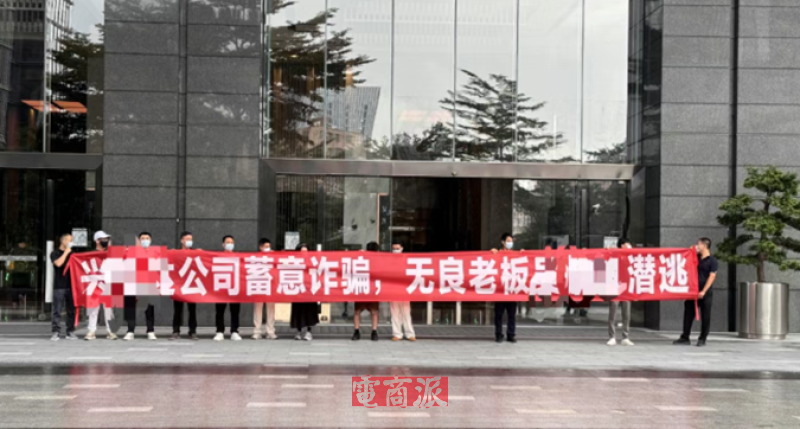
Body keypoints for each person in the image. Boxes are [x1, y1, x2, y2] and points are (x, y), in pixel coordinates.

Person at [674, 237, 718, 347]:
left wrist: (703, 291)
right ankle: (685, 337)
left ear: (704, 246)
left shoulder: (712, 260)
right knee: (688, 314)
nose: (697, 246)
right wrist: (691, 250)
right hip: (693, 291)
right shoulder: (696, 257)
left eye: (699, 244)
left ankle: (702, 338)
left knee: (705, 315)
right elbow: (687, 257)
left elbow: (712, 276)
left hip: (705, 292)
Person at [84, 231, 119, 340]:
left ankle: (110, 331)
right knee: (93, 309)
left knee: (108, 309)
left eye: (107, 239)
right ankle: (91, 331)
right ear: (97, 241)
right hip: (94, 284)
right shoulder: (90, 255)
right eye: (103, 239)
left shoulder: (110, 254)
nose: (106, 241)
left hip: (107, 284)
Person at [123, 232, 157, 341]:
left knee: (149, 309)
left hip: (148, 284)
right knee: (130, 309)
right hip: (132, 284)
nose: (145, 240)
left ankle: (150, 330)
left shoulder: (155, 252)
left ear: (150, 240)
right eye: (143, 238)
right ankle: (130, 331)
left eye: (147, 238)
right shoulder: (131, 252)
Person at [49, 233, 77, 341]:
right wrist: (66, 252)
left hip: (72, 286)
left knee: (71, 310)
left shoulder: (73, 254)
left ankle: (70, 331)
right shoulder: (55, 253)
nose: (71, 242)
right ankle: (55, 332)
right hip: (59, 286)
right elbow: (58, 264)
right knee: (57, 310)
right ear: (63, 241)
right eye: (69, 240)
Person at [171, 231, 198, 340]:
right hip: (178, 285)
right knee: (177, 310)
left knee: (192, 310)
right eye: (187, 239)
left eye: (191, 239)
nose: (189, 241)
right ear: (181, 240)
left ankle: (192, 331)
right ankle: (176, 331)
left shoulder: (195, 253)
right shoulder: (175, 253)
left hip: (191, 285)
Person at [214, 235, 242, 341]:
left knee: (235, 310)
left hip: (234, 286)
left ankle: (234, 331)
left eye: (231, 242)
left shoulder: (238, 256)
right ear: (223, 244)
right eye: (227, 242)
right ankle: (219, 331)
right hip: (221, 287)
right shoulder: (218, 256)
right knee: (220, 310)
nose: (230, 244)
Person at [607, 238, 634, 346]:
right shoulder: (615, 254)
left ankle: (625, 337)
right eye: (627, 244)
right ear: (622, 245)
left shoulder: (630, 256)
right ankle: (612, 337)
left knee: (626, 314)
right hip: (615, 287)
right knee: (612, 313)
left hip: (626, 288)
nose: (629, 246)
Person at [492, 233, 517, 343]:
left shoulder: (515, 255)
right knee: (498, 314)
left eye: (511, 241)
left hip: (511, 289)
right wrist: (491, 253)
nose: (510, 243)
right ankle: (498, 334)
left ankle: (511, 334)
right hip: (500, 289)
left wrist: (524, 254)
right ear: (503, 242)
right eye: (508, 241)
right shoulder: (497, 253)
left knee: (512, 315)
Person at [352, 241, 380, 341]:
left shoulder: (380, 259)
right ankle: (366, 331)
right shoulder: (361, 257)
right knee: (367, 311)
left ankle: (371, 331)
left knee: (370, 311)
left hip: (369, 287)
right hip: (364, 286)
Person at [290, 243, 318, 340]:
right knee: (298, 310)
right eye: (302, 252)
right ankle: (298, 331)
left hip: (310, 289)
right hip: (298, 289)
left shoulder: (313, 260)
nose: (304, 254)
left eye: (306, 252)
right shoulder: (294, 261)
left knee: (309, 310)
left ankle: (309, 332)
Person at [389, 242, 415, 341]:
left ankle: (410, 334)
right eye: (394, 248)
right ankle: (397, 334)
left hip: (405, 289)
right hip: (393, 289)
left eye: (397, 248)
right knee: (395, 313)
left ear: (402, 248)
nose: (396, 250)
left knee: (406, 312)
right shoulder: (387, 260)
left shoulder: (407, 259)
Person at [252, 238, 277, 340]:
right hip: (259, 285)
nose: (268, 248)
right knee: (258, 309)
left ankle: (270, 331)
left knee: (271, 309)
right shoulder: (255, 258)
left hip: (271, 286)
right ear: (260, 247)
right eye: (266, 247)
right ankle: (257, 331)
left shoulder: (274, 257)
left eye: (269, 247)